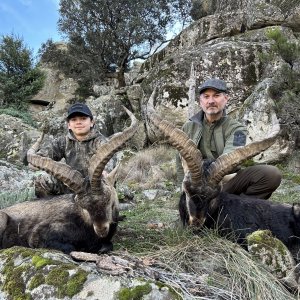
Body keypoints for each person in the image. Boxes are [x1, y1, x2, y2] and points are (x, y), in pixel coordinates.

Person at [176, 78, 281, 199]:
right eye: (206, 96)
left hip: (224, 182)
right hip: (196, 186)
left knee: (271, 174)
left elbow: (233, 155)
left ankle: (240, 208)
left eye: (216, 95)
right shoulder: (188, 127)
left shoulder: (239, 130)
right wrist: (183, 189)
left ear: (226, 99)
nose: (211, 101)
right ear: (200, 101)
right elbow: (180, 158)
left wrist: (210, 174)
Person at [30, 102, 110, 197]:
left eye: (83, 119)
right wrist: (40, 164)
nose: (78, 122)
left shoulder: (101, 142)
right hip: (71, 185)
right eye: (74, 119)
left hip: (94, 188)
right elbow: (36, 161)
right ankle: (53, 209)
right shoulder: (63, 141)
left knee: (105, 180)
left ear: (92, 122)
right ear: (69, 125)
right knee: (42, 179)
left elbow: (108, 168)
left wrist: (104, 174)